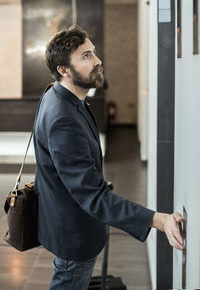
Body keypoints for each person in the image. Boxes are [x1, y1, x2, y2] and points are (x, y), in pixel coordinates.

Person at [33, 25, 183, 290]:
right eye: (86, 56)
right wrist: (159, 220)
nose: (98, 60)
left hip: (66, 222)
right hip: (73, 234)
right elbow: (93, 196)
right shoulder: (63, 117)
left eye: (93, 52)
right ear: (63, 71)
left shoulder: (59, 96)